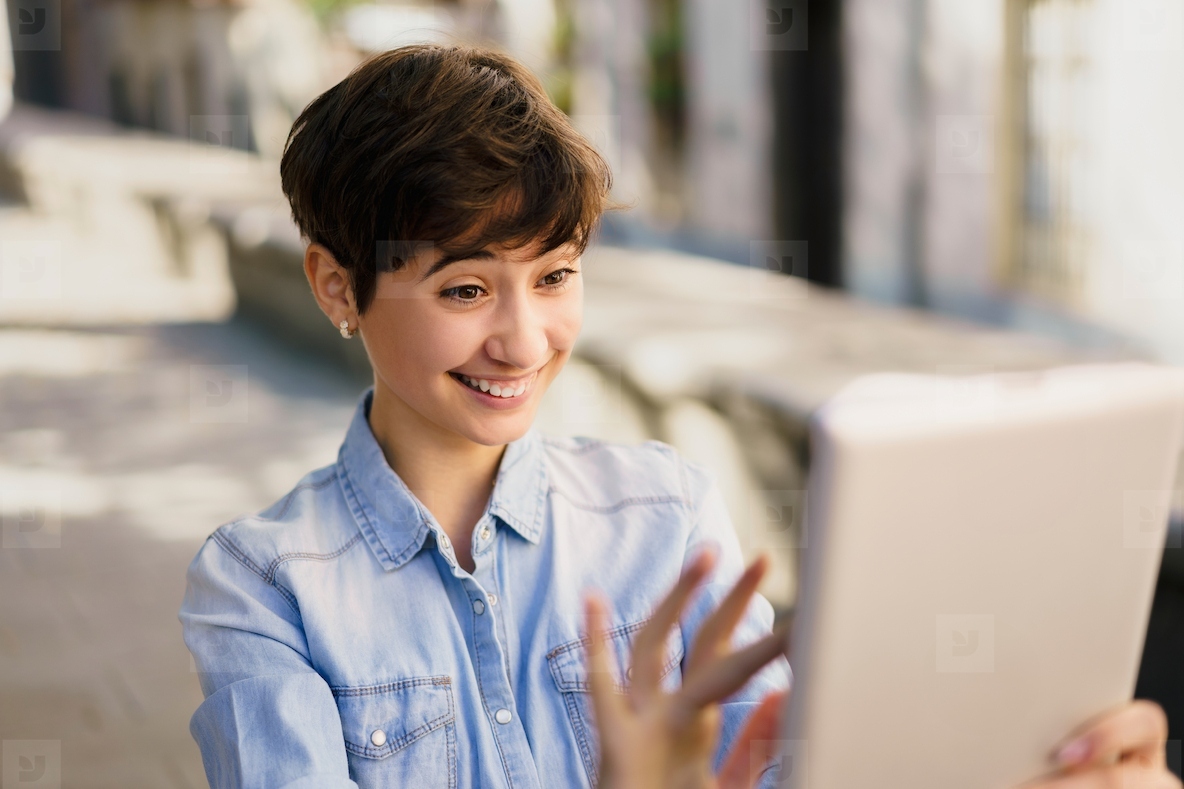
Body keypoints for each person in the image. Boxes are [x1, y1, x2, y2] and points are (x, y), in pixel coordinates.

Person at [177, 41, 1180, 789]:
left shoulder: (660, 511)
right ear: (335, 286)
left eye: (556, 275)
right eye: (464, 291)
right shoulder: (264, 588)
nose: (524, 343)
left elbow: (783, 768)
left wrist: (1036, 767)